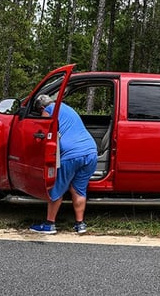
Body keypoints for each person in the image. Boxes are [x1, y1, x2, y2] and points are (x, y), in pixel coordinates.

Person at [29, 94, 98, 235]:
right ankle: (80, 225)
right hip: (91, 152)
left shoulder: (48, 110)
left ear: (42, 107)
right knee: (78, 190)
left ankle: (49, 224)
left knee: (57, 188)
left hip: (72, 154)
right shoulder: (66, 108)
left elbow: (43, 130)